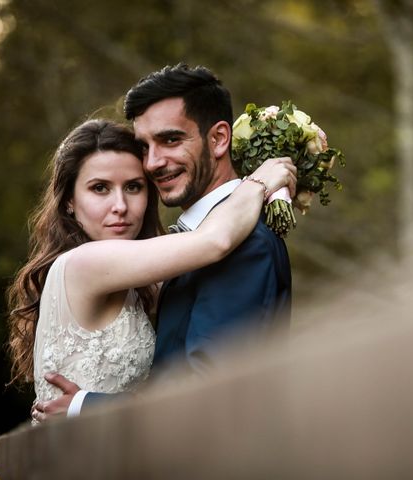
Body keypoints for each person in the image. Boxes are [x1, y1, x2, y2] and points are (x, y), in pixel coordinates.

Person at [31, 64, 295, 422]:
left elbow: (212, 399)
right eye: (144, 146)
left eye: (170, 140)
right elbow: (213, 240)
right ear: (69, 202)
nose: (153, 163)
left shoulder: (247, 245)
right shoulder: (187, 246)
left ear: (219, 139)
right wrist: (259, 184)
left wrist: (84, 406)